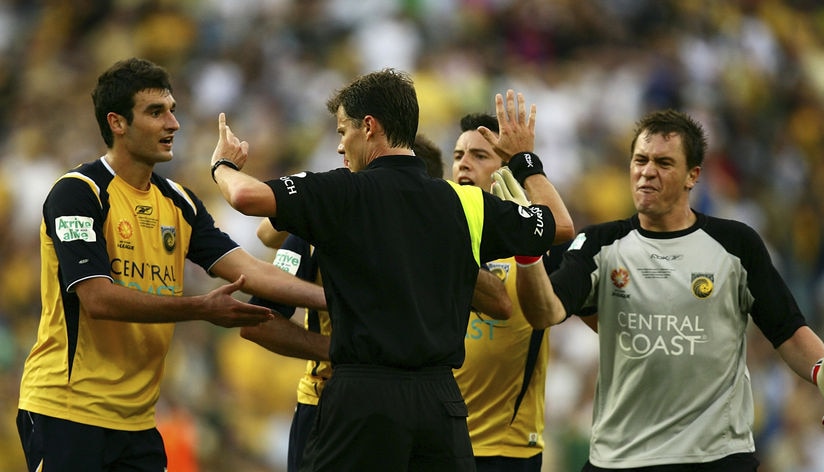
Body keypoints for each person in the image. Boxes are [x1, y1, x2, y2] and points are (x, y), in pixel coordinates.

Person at [210, 67, 570, 471]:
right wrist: (525, 161)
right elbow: (561, 225)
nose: (341, 144)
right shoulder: (464, 203)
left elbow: (244, 195)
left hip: (363, 396)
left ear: (369, 127)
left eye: (343, 130)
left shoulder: (342, 191)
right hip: (440, 402)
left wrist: (222, 166)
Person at [16, 57, 329, 472]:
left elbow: (253, 272)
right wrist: (200, 308)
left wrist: (336, 300)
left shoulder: (178, 202)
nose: (173, 124)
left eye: (174, 111)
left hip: (139, 421)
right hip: (68, 412)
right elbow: (98, 299)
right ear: (117, 123)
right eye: (156, 112)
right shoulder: (78, 192)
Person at [514, 108, 824, 471]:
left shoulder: (735, 244)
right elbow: (545, 310)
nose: (647, 171)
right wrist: (527, 253)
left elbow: (788, 329)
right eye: (640, 160)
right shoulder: (599, 244)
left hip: (716, 457)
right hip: (622, 457)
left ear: (692, 176)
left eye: (663, 162)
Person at [241, 131, 513, 472]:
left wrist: (429, 248)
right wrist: (339, 350)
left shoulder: (444, 234)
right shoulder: (326, 228)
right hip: (327, 401)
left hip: (417, 405)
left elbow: (501, 304)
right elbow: (256, 320)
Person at [451, 112, 574, 472]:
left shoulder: (538, 246)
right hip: (439, 438)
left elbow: (562, 228)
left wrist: (526, 166)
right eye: (458, 155)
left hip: (506, 448)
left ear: (504, 170)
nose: (464, 164)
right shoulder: (439, 230)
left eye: (479, 155)